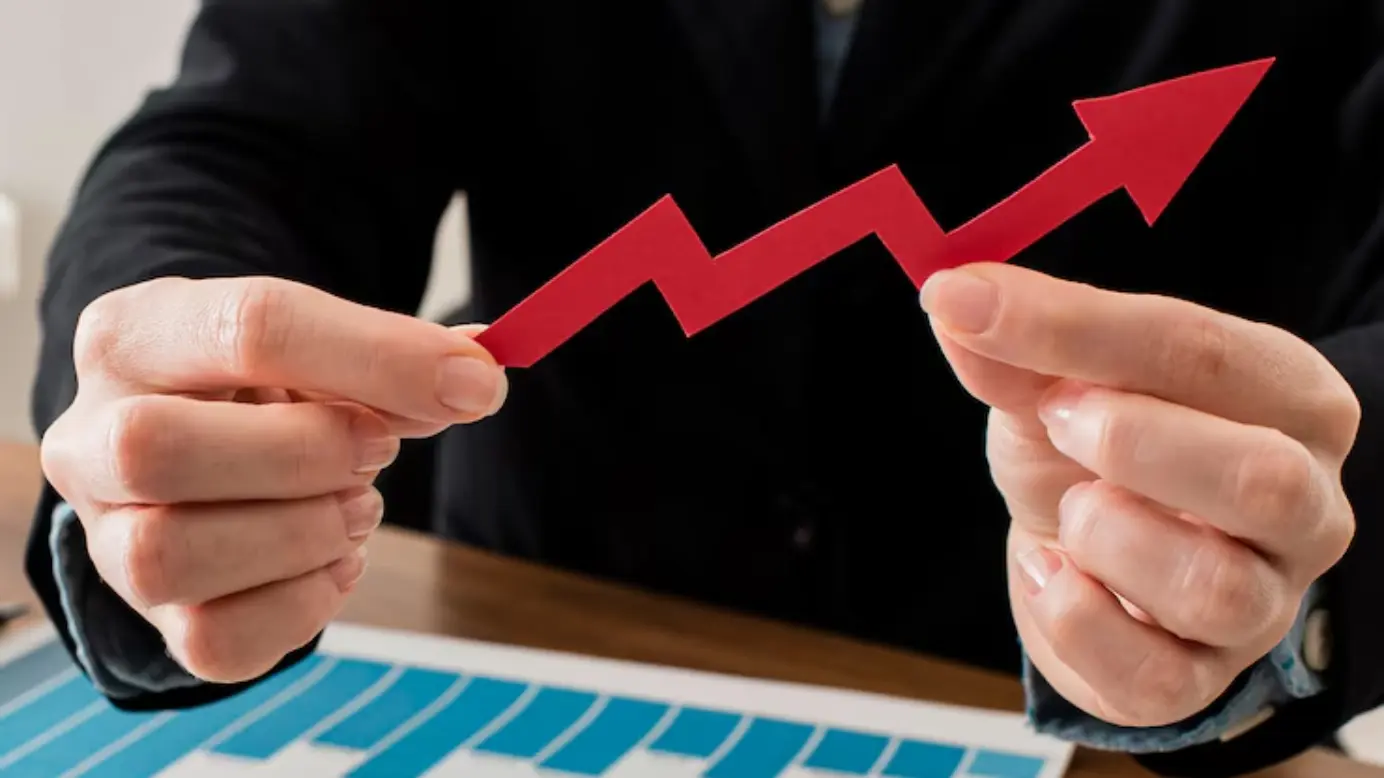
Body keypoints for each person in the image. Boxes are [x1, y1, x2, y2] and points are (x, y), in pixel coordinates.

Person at [24, 1, 1384, 774]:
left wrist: (1267, 562)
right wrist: (170, 396)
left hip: (1092, 716)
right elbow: (243, 140)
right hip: (535, 631)